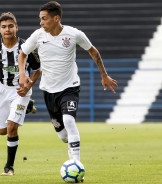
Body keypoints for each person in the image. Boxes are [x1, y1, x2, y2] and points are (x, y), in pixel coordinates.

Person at [18, 0, 118, 174]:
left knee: (69, 120)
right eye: (40, 19)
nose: (41, 22)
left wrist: (104, 74)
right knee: (63, 136)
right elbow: (22, 54)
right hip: (48, 90)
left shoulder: (74, 34)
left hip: (70, 87)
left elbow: (93, 51)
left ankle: (76, 165)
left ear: (56, 18)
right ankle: (71, 150)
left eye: (44, 19)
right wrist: (22, 73)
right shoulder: (38, 35)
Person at [0, 12, 41, 176]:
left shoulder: (26, 47)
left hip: (21, 91)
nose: (7, 29)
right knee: (2, 131)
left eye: (10, 26)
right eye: (4, 27)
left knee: (12, 127)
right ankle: (27, 107)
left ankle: (9, 167)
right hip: (2, 89)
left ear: (16, 27)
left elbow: (37, 69)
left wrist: (29, 86)